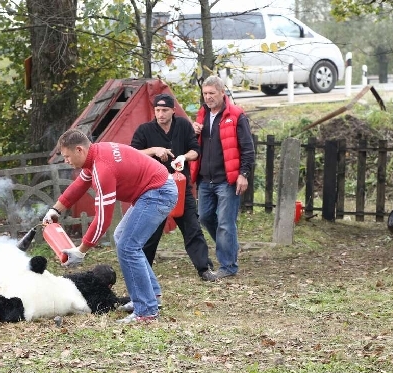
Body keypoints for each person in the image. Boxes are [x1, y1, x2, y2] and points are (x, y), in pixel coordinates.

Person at [42, 129, 178, 323]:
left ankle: (147, 311)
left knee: (128, 246)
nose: (66, 161)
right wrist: (55, 210)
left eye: (67, 156)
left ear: (79, 149)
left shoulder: (102, 169)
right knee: (122, 237)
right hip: (153, 191)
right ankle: (151, 297)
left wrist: (81, 250)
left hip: (158, 192)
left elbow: (102, 220)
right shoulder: (95, 155)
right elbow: (79, 185)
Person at [128, 93, 216, 289]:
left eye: (164, 110)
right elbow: (132, 153)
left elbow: (195, 150)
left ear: (172, 110)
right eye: (157, 110)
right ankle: (143, 270)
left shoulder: (183, 126)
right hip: (154, 189)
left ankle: (204, 268)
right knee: (151, 233)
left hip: (180, 186)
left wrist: (184, 157)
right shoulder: (145, 130)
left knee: (192, 226)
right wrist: (153, 150)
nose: (160, 114)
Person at [191, 75, 255, 279]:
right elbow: (194, 147)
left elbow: (248, 148)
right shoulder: (201, 115)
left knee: (226, 223)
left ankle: (228, 266)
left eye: (211, 93)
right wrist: (194, 132)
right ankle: (228, 247)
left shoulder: (236, 115)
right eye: (205, 94)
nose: (208, 97)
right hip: (205, 178)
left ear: (222, 93)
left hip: (227, 179)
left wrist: (244, 174)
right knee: (205, 217)